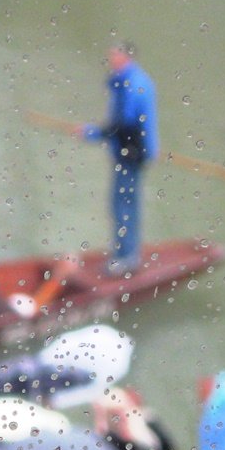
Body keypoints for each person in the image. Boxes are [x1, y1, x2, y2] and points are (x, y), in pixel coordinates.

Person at [78, 42, 159, 276]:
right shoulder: (123, 81)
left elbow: (125, 124)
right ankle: (125, 253)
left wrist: (93, 133)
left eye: (115, 55)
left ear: (126, 57)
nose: (111, 60)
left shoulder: (134, 84)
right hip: (126, 151)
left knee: (123, 204)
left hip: (131, 154)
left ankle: (126, 258)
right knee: (124, 203)